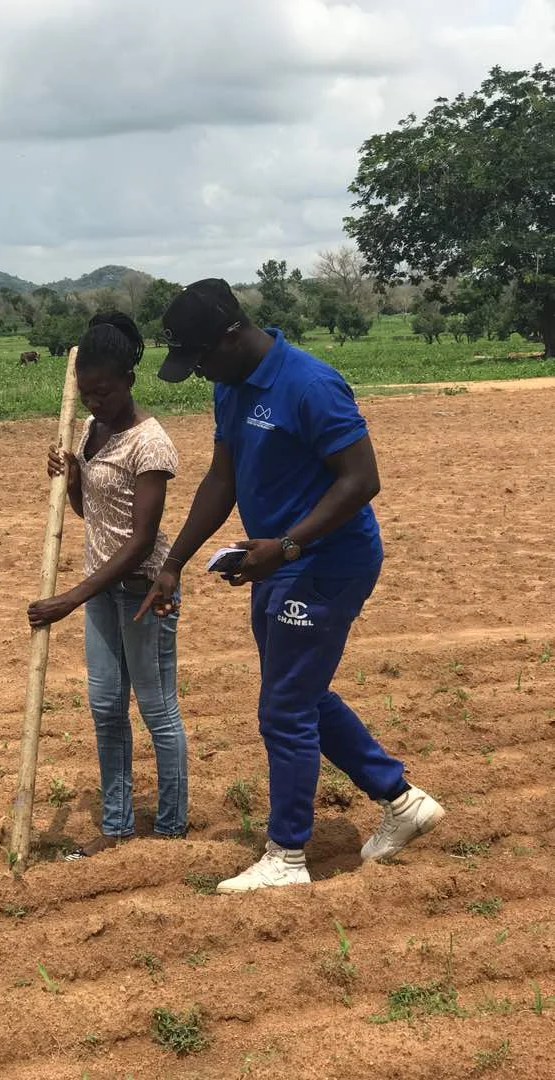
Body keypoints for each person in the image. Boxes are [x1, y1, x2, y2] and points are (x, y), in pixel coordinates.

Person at [137, 279, 444, 893]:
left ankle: (287, 856)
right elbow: (222, 478)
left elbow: (361, 479)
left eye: (201, 358)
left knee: (284, 708)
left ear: (231, 334)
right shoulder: (230, 386)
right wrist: (174, 559)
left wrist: (289, 545)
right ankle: (403, 801)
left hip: (327, 561)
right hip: (278, 560)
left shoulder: (310, 384)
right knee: (299, 693)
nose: (198, 373)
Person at [27, 313, 187, 857]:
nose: (95, 401)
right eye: (86, 392)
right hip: (99, 591)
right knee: (105, 707)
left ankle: (170, 828)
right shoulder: (92, 431)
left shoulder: (152, 443)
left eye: (105, 391)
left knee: (158, 710)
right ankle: (117, 827)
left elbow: (140, 540)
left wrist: (70, 598)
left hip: (143, 589)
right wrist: (73, 477)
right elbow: (89, 514)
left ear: (129, 382)